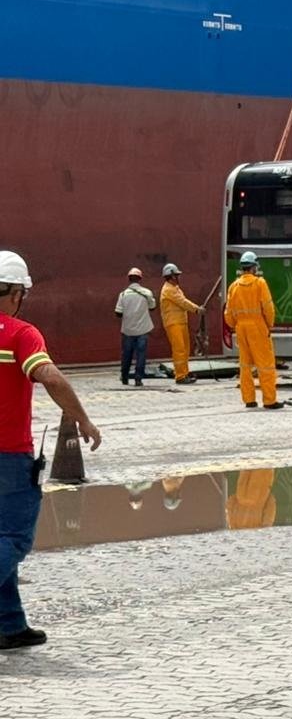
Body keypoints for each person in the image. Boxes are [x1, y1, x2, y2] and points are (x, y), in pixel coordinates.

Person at [0, 251, 101, 651]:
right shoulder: (20, 334)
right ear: (18, 294)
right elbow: (50, 377)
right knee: (14, 538)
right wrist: (84, 419)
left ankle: (9, 625)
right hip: (8, 456)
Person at [223, 251, 281, 410]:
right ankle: (269, 400)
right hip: (258, 327)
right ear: (254, 267)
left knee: (245, 365)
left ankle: (249, 399)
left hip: (241, 328)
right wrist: (269, 325)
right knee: (265, 364)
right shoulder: (260, 283)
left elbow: (228, 312)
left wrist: (235, 325)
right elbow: (268, 307)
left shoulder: (233, 286)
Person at [160, 263, 204, 385]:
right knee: (179, 349)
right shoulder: (168, 290)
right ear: (172, 276)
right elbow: (183, 302)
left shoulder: (175, 288)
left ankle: (185, 372)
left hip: (180, 322)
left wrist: (196, 309)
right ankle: (180, 376)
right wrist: (197, 309)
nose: (179, 277)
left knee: (185, 349)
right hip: (173, 323)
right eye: (177, 275)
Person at [114, 266, 156, 386]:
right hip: (143, 329)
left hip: (127, 330)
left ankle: (125, 377)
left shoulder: (123, 295)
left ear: (129, 279)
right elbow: (152, 307)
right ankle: (138, 379)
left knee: (126, 354)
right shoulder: (147, 293)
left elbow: (118, 313)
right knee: (141, 355)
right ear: (140, 279)